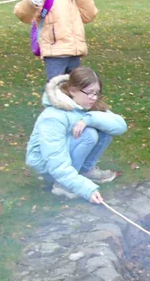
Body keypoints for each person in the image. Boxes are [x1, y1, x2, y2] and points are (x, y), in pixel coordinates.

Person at [26, 67, 127, 202]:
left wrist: (89, 119)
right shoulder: (53, 116)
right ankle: (62, 185)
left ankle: (84, 171)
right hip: (46, 163)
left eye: (96, 93)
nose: (93, 98)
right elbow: (56, 162)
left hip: (64, 158)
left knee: (104, 129)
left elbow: (120, 126)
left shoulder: (85, 106)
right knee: (89, 134)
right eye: (89, 93)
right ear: (72, 90)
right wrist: (85, 189)